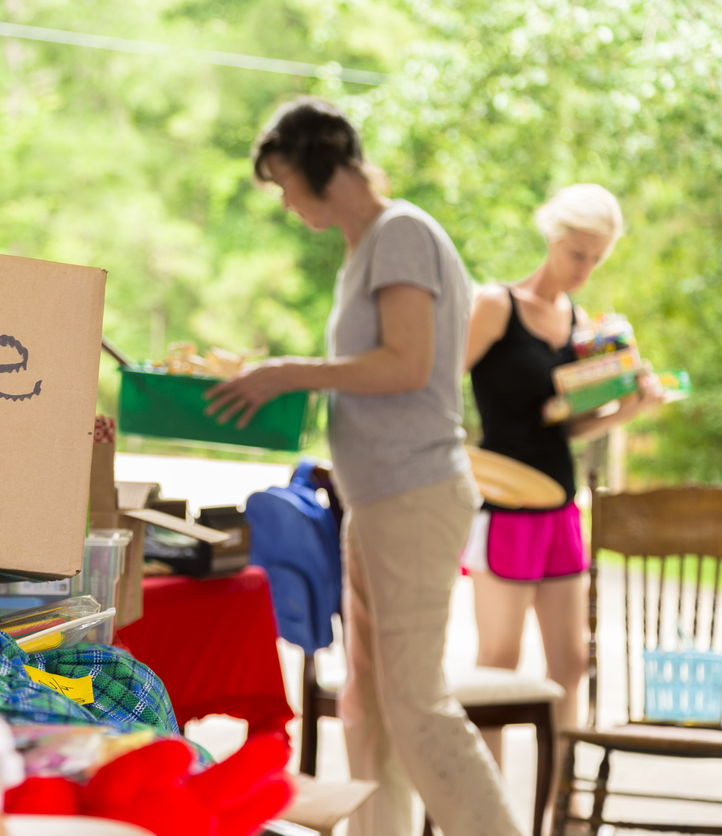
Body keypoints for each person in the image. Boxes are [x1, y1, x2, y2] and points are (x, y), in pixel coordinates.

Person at [207, 96, 523, 836]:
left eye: (284, 182)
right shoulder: (364, 250)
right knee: (370, 707)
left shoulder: (401, 232)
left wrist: (290, 372)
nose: (284, 201)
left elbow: (406, 365)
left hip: (416, 493)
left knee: (414, 703)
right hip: (377, 499)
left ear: (319, 165)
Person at [462, 184, 663, 766]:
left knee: (570, 663)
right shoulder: (496, 304)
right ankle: (491, 814)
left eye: (597, 258)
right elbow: (441, 381)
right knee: (497, 662)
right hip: (503, 506)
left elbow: (564, 428)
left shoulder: (579, 323)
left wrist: (632, 407)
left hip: (560, 505)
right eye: (579, 254)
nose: (586, 269)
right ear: (553, 238)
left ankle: (563, 812)